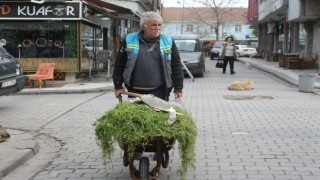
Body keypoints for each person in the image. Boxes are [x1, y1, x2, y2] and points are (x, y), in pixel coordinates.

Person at [113, 11, 184, 101]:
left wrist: (178, 88)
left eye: (159, 25)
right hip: (134, 91)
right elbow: (120, 64)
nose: (157, 28)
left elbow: (176, 65)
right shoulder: (129, 39)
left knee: (159, 114)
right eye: (154, 25)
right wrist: (118, 86)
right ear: (143, 26)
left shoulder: (168, 41)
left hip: (160, 91)